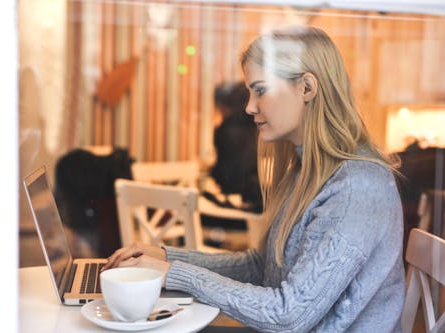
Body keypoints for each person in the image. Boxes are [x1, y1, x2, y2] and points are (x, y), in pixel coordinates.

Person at [102, 26, 405, 332]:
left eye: (260, 90)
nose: (249, 106)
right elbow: (262, 267)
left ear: (307, 88)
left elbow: (288, 315)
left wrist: (175, 274)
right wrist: (167, 258)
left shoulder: (356, 187)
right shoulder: (306, 170)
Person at [208, 81, 262, 212]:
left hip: (232, 201)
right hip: (252, 200)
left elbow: (225, 171)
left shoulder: (224, 128)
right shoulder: (257, 128)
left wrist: (210, 171)